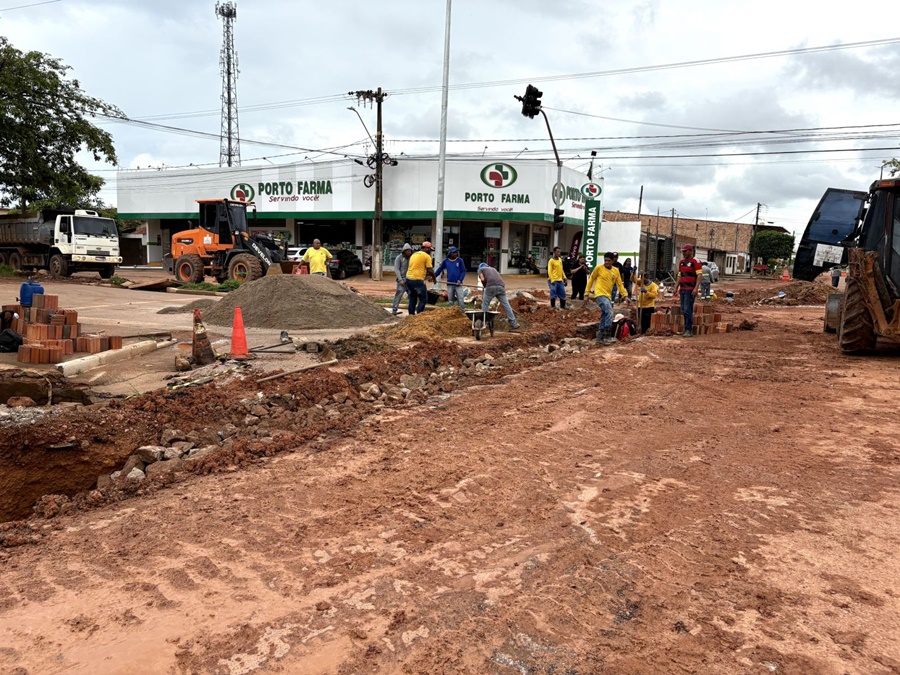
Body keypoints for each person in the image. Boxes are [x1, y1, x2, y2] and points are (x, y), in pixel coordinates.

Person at [587, 252, 630, 345]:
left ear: (613, 260)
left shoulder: (615, 270)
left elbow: (619, 284)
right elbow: (591, 279)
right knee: (610, 312)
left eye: (609, 261)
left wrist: (625, 295)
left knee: (605, 314)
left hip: (608, 295)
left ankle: (600, 336)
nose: (607, 262)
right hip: (599, 294)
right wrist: (586, 292)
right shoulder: (598, 268)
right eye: (605, 260)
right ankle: (607, 336)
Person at [478, 263, 520, 330]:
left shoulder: (481, 269)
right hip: (501, 287)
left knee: (485, 304)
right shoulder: (493, 269)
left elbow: (483, 279)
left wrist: (485, 286)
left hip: (490, 287)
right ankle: (514, 323)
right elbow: (496, 278)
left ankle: (485, 323)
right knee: (506, 305)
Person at [676, 244, 703, 337]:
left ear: (690, 251)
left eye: (685, 251)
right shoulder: (681, 262)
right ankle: (686, 329)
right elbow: (680, 276)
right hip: (683, 289)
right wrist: (676, 287)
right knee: (684, 309)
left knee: (688, 310)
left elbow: (699, 275)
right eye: (682, 251)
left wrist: (696, 288)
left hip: (690, 290)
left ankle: (689, 330)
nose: (683, 253)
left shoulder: (696, 262)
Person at [405, 241, 436, 315]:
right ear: (425, 248)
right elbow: (430, 270)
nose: (430, 251)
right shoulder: (426, 256)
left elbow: (417, 267)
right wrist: (434, 279)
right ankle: (419, 316)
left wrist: (425, 275)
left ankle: (411, 316)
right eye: (429, 249)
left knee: (413, 299)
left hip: (409, 279)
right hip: (417, 280)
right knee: (423, 299)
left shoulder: (414, 254)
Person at [434, 246, 467, 312]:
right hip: (450, 283)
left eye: (456, 252)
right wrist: (433, 276)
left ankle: (462, 311)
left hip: (458, 283)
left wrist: (460, 280)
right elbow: (440, 269)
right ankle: (451, 312)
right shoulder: (446, 261)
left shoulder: (460, 260)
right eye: (454, 252)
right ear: (450, 253)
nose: (455, 254)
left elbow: (463, 271)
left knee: (460, 298)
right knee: (451, 300)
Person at [391, 243, 413, 315]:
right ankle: (394, 310)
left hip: (410, 280)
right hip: (402, 280)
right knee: (399, 294)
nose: (409, 252)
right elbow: (397, 269)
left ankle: (411, 312)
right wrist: (400, 280)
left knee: (411, 296)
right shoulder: (399, 258)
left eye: (410, 251)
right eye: (408, 251)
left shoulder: (411, 258)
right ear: (404, 251)